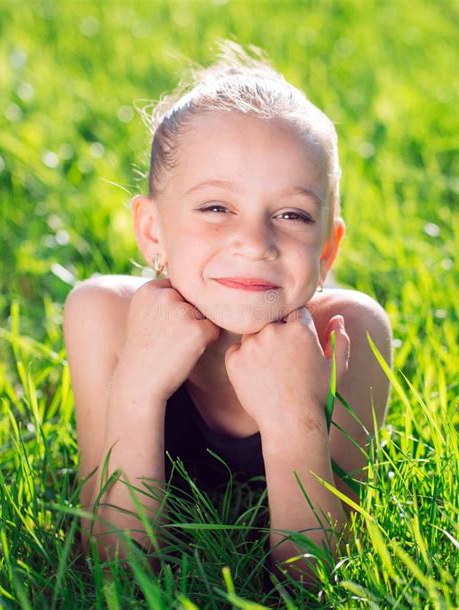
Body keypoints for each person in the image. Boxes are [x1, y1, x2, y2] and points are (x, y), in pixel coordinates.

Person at [63, 39, 392, 587]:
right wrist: (137, 389)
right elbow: (115, 566)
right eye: (217, 207)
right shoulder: (102, 314)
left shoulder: (350, 335)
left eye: (291, 214)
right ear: (152, 231)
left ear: (327, 252)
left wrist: (296, 420)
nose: (253, 242)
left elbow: (321, 575)